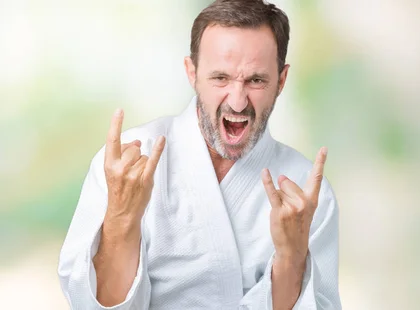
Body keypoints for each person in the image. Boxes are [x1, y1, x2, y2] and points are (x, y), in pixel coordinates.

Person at [57, 0, 341, 309]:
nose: (236, 100)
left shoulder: (307, 195)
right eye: (221, 78)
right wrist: (121, 219)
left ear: (281, 81)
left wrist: (292, 257)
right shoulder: (125, 167)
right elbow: (89, 304)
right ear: (192, 73)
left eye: (256, 80)